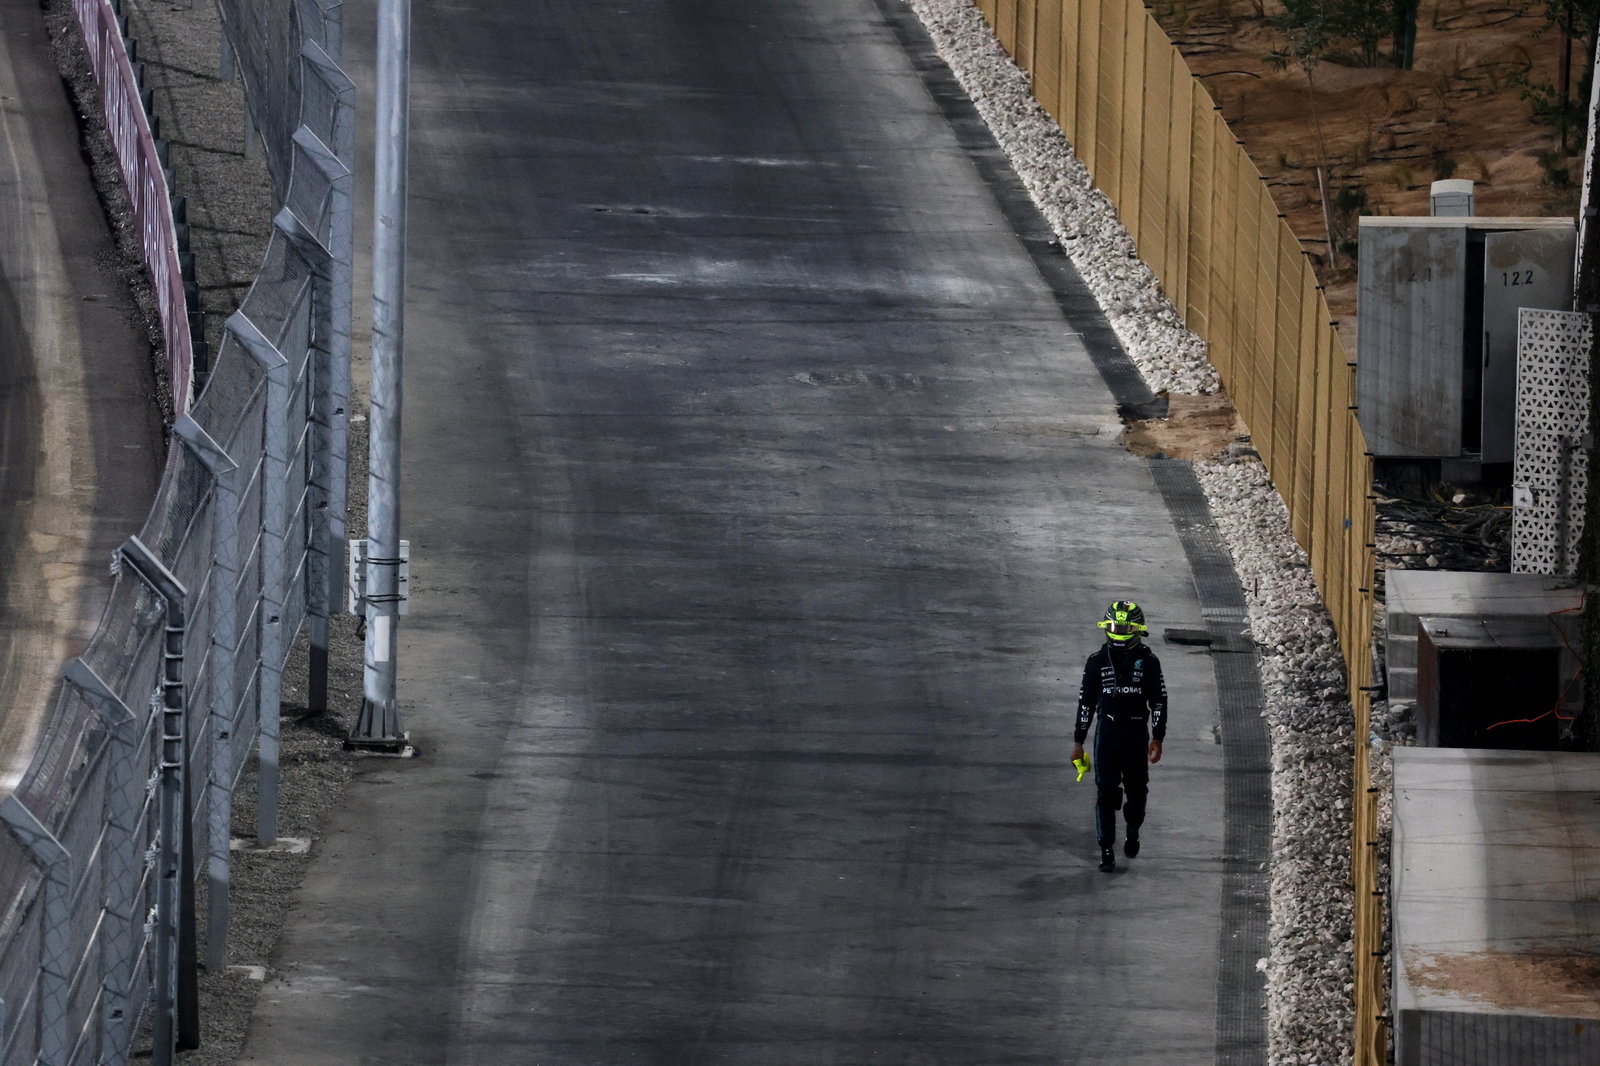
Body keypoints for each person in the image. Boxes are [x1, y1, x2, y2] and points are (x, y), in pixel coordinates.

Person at [1070, 600, 1167, 872]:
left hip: (1136, 739)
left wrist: (1157, 737)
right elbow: (1085, 703)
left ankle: (1133, 830)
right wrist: (1078, 741)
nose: (1118, 631)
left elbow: (1159, 702)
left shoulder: (1149, 663)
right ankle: (1106, 849)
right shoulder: (1096, 662)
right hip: (1107, 738)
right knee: (1105, 794)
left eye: (1123, 627)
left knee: (1137, 795)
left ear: (1136, 629)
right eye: (1114, 626)